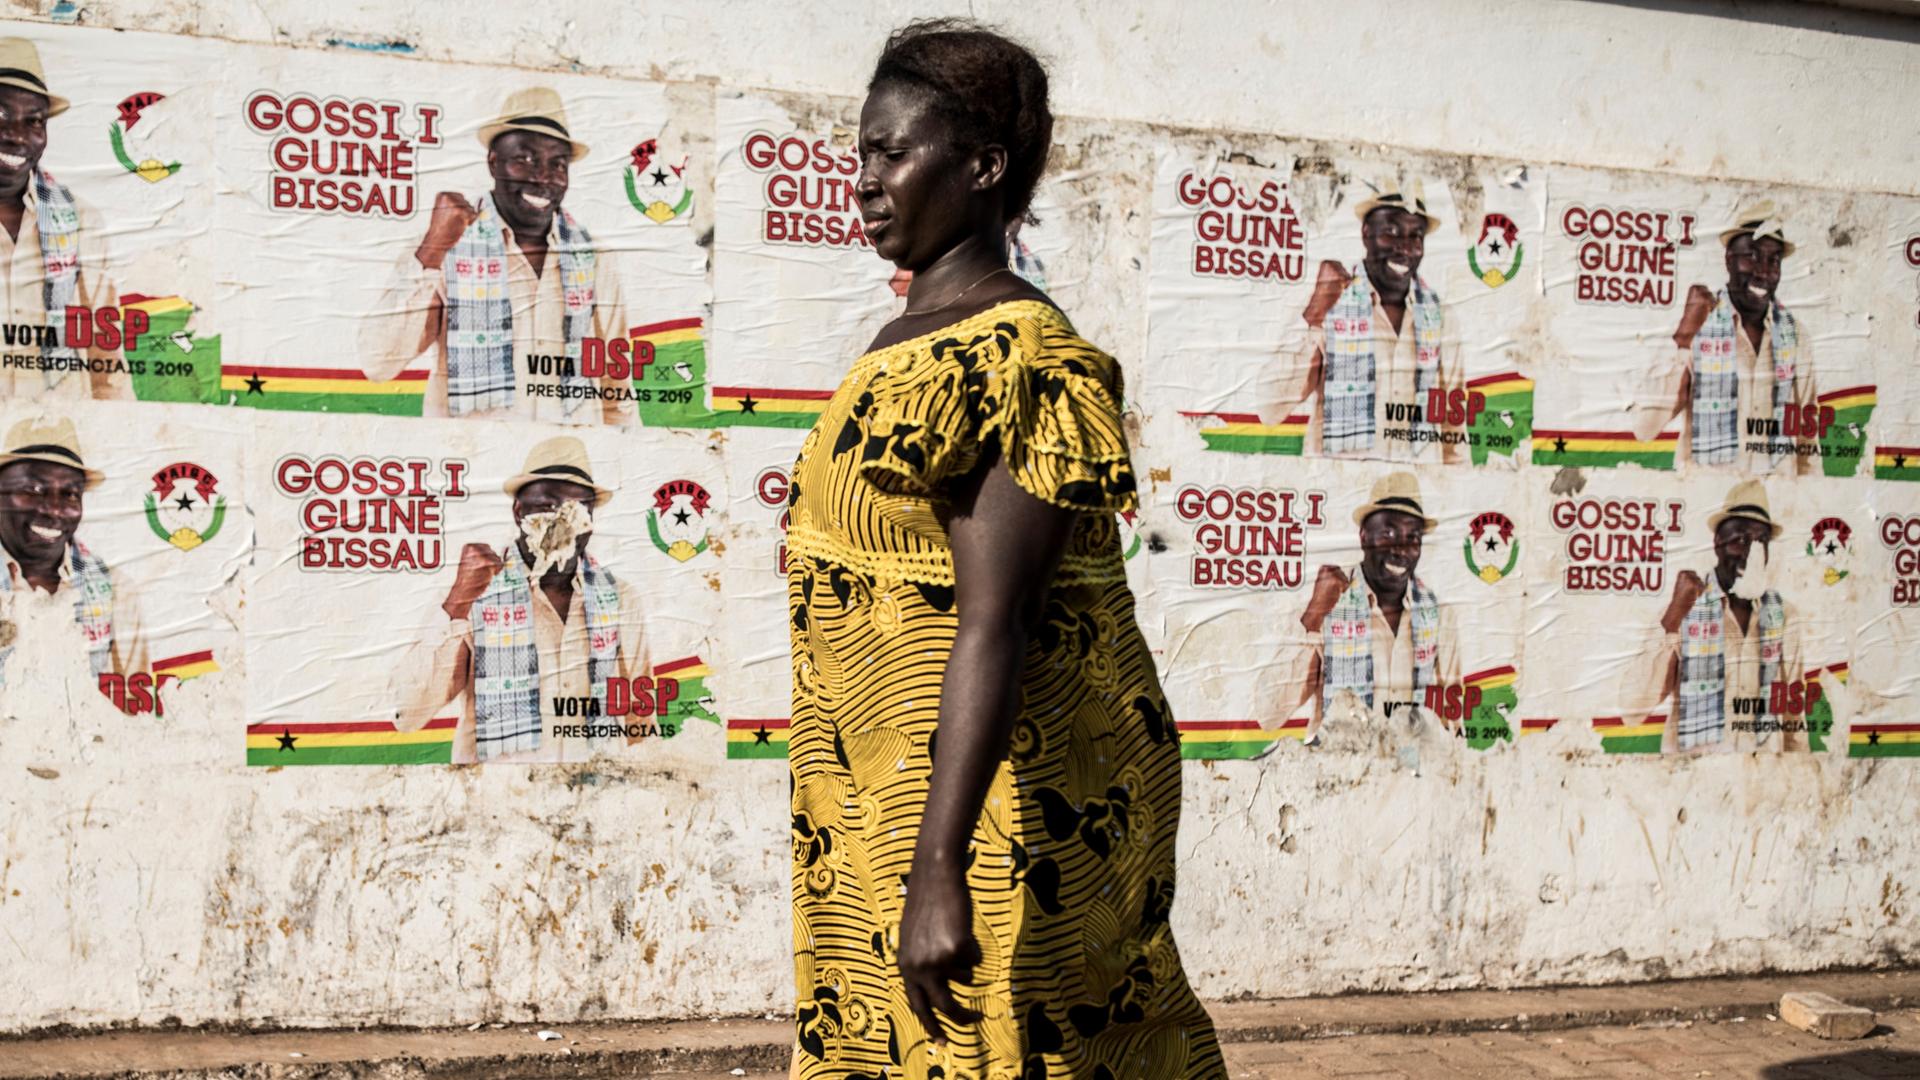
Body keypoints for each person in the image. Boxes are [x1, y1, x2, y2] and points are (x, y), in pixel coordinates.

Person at [784, 20, 1226, 1078]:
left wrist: (937, 866)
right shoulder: (903, 344)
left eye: (894, 152)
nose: (865, 178)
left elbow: (1000, 615)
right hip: (874, 807)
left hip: (993, 819)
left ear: (983, 167)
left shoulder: (1019, 358)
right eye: (861, 152)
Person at [360, 87, 633, 424]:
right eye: (525, 158)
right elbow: (378, 363)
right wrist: (433, 248)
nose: (544, 177)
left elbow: (616, 387)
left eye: (557, 164)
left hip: (566, 458)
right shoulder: (445, 243)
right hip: (472, 460)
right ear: (494, 162)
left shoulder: (594, 256)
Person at [385, 436, 650, 764]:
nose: (563, 523)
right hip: (498, 801)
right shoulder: (472, 595)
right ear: (517, 511)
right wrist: (457, 602)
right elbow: (407, 714)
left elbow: (640, 719)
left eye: (580, 509)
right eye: (546, 506)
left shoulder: (621, 599)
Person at [1264, 183, 1464, 463]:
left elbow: (1453, 428)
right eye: (1391, 232)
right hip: (1340, 487)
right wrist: (1315, 319)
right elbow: (1270, 408)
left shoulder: (1441, 317)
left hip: (1417, 491)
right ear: (1366, 233)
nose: (1405, 247)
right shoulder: (1329, 303)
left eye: (1415, 235)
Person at [1262, 471, 1461, 741]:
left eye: (1413, 537)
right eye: (1388, 532)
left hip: (1411, 772)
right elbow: (1267, 714)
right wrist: (1314, 616)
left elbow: (1454, 719)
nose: (1401, 549)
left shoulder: (1438, 614)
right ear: (1364, 536)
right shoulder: (1325, 601)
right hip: (1339, 770)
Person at [1620, 479, 1809, 753]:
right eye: (1741, 539)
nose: (1750, 553)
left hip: (1760, 778)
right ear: (1718, 542)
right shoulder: (1683, 610)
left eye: (1761, 542)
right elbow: (1632, 709)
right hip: (1694, 779)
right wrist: (1673, 619)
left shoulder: (1785, 615)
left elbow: (1794, 720)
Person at [1628, 202, 1816, 474]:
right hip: (1705, 500)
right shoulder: (1695, 324)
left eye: (1773, 260)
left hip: (1777, 504)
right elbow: (1645, 427)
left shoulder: (1796, 336)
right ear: (1728, 259)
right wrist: (1685, 339)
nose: (1763, 271)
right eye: (1751, 256)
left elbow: (1808, 442)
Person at [0, 38, 126, 401]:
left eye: (34, 121)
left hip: (56, 429)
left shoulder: (78, 219)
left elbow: (107, 350)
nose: (17, 136)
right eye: (0, 115)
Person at [0, 415, 148, 709]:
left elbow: (135, 711)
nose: (54, 510)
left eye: (70, 494)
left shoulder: (115, 588)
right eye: (33, 490)